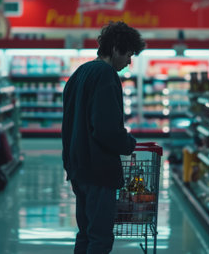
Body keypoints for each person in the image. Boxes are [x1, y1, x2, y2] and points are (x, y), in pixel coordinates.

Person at [62, 21, 145, 253]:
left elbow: (67, 124)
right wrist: (128, 143)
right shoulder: (106, 75)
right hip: (98, 169)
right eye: (129, 54)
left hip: (78, 167)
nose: (129, 62)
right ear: (117, 48)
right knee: (100, 237)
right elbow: (106, 129)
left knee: (86, 233)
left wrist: (68, 162)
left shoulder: (80, 73)